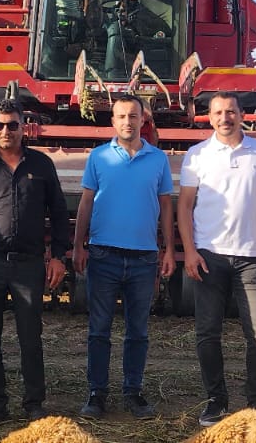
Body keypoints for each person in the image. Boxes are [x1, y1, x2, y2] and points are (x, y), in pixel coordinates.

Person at [0, 100, 73, 432]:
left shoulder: (42, 165)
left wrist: (58, 256)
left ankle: (34, 404)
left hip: (28, 265)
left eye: (13, 125)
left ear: (24, 127)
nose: (6, 131)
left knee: (30, 337)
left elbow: (59, 213)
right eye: (0, 125)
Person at [176, 91, 256, 426]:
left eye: (230, 111)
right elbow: (185, 205)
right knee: (207, 333)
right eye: (218, 112)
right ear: (209, 118)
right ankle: (216, 400)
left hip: (252, 258)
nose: (224, 118)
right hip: (209, 256)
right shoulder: (197, 155)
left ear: (242, 115)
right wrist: (190, 250)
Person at [71, 94, 174, 420]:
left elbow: (166, 205)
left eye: (133, 116)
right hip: (103, 255)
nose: (127, 122)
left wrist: (169, 249)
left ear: (143, 119)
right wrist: (78, 245)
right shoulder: (99, 157)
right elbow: (86, 202)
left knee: (138, 332)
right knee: (99, 330)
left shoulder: (158, 159)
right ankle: (96, 393)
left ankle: (133, 392)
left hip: (144, 258)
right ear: (112, 121)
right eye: (121, 116)